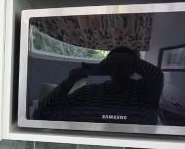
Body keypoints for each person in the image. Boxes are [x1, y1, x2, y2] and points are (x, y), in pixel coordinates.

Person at [33, 46, 164, 124]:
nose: (118, 68)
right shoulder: (87, 92)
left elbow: (157, 75)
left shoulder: (144, 91)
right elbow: (43, 114)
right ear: (108, 67)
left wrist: (124, 57)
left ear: (133, 68)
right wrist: (70, 81)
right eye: (114, 63)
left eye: (124, 64)